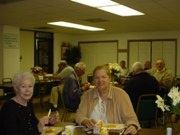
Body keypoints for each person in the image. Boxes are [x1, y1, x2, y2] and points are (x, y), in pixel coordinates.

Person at [76, 65, 140, 135]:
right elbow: (79, 115)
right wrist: (84, 121)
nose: (100, 80)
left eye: (104, 77)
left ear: (109, 79)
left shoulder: (121, 94)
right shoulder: (87, 95)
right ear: (93, 80)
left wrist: (132, 126)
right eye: (97, 78)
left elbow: (131, 118)